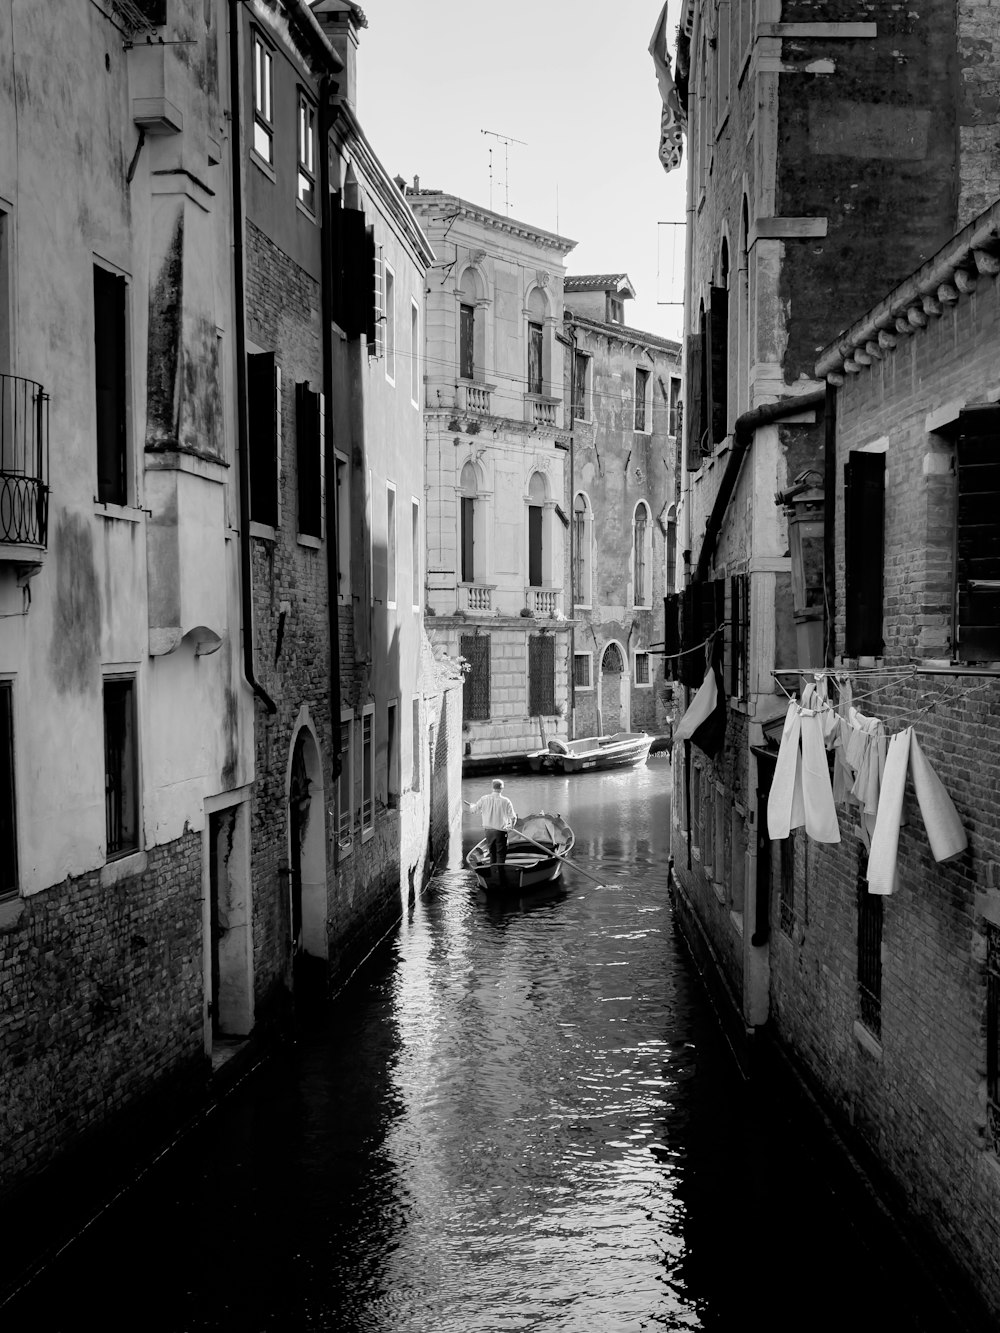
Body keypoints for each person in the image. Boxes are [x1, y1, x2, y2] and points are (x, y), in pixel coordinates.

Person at [464, 778, 517, 864]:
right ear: (502, 788)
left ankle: (494, 873)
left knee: (492, 854)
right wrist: (511, 826)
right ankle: (500, 873)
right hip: (501, 832)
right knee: (500, 854)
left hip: (489, 832)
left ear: (492, 787)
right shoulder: (506, 801)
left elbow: (473, 810)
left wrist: (472, 806)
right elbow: (513, 818)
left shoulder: (484, 799)